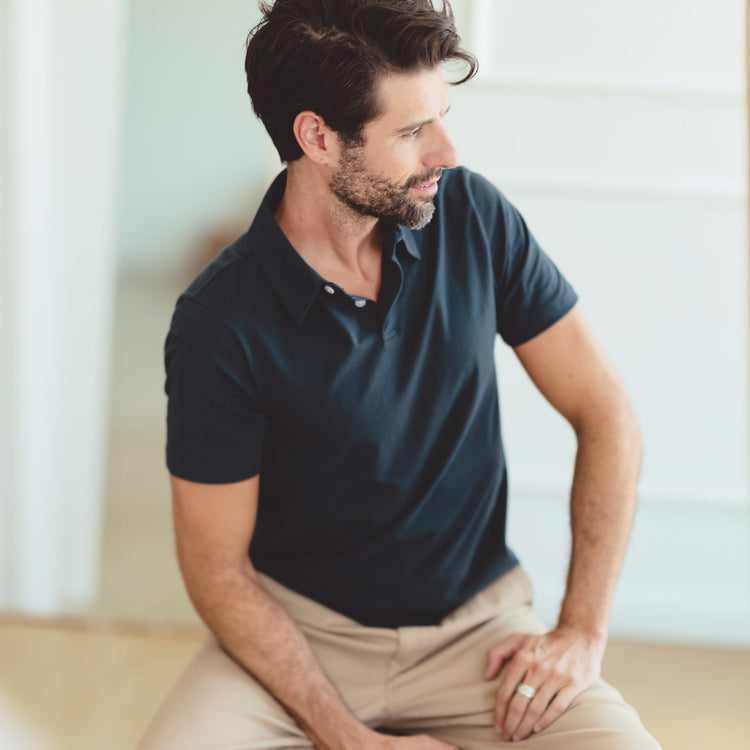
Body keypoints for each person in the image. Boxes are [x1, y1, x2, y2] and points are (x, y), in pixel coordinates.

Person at [139, 1, 661, 748]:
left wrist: (581, 629)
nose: (446, 151)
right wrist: (350, 739)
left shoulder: (473, 214)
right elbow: (217, 573)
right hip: (299, 639)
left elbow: (606, 412)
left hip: (479, 636)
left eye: (440, 117)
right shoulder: (218, 322)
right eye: (413, 131)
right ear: (318, 137)